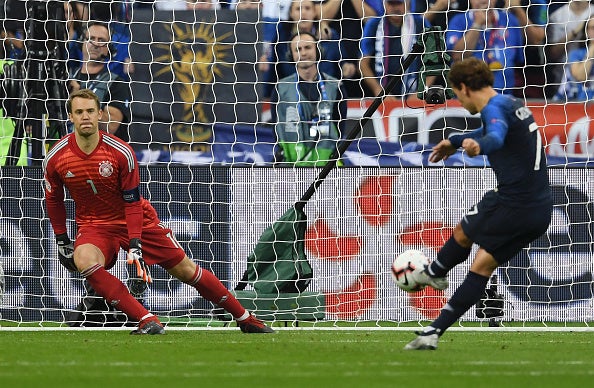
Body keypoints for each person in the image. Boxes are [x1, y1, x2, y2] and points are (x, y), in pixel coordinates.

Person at [43, 89, 275, 335]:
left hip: (137, 219)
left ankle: (246, 318)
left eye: (90, 111)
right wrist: (61, 238)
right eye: (79, 112)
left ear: (100, 114)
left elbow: (132, 202)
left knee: (186, 270)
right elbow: (54, 199)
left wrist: (134, 242)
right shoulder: (56, 157)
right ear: (70, 117)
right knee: (85, 261)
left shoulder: (121, 152)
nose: (85, 117)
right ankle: (147, 320)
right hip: (96, 225)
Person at [404, 58, 551, 350]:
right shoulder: (508, 103)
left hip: (513, 203)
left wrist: (478, 146)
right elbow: (492, 132)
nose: (458, 100)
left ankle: (434, 273)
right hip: (539, 211)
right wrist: (457, 140)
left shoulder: (494, 110)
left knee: (463, 231)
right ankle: (432, 333)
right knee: (481, 267)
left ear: (463, 88)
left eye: (456, 94)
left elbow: (494, 137)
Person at [271, 32, 347, 165]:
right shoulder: (280, 89)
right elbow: (276, 130)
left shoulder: (335, 87)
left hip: (327, 170)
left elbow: (340, 129)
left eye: (308, 47)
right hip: (291, 170)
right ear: (291, 56)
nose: (303, 53)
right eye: (298, 49)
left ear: (318, 50)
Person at [68, 21, 131, 142]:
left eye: (101, 40)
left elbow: (110, 127)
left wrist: (79, 96)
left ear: (109, 49)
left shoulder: (117, 83)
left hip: (100, 152)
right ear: (82, 43)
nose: (95, 44)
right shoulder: (66, 76)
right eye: (91, 38)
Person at [445, 0, 524, 94]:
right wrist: (477, 25)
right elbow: (457, 56)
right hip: (467, 95)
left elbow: (518, 60)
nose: (482, 0)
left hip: (503, 94)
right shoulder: (459, 20)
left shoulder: (510, 20)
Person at [359, 0, 426, 100]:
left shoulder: (421, 23)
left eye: (399, 3)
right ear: (384, 4)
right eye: (391, 4)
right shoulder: (374, 24)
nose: (395, 8)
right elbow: (363, 64)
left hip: (415, 94)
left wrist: (421, 91)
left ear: (407, 3)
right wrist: (378, 90)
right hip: (382, 96)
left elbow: (436, 61)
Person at [553, 16, 594, 101]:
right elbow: (581, 76)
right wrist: (592, 47)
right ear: (586, 31)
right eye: (592, 28)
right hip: (580, 104)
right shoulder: (576, 54)